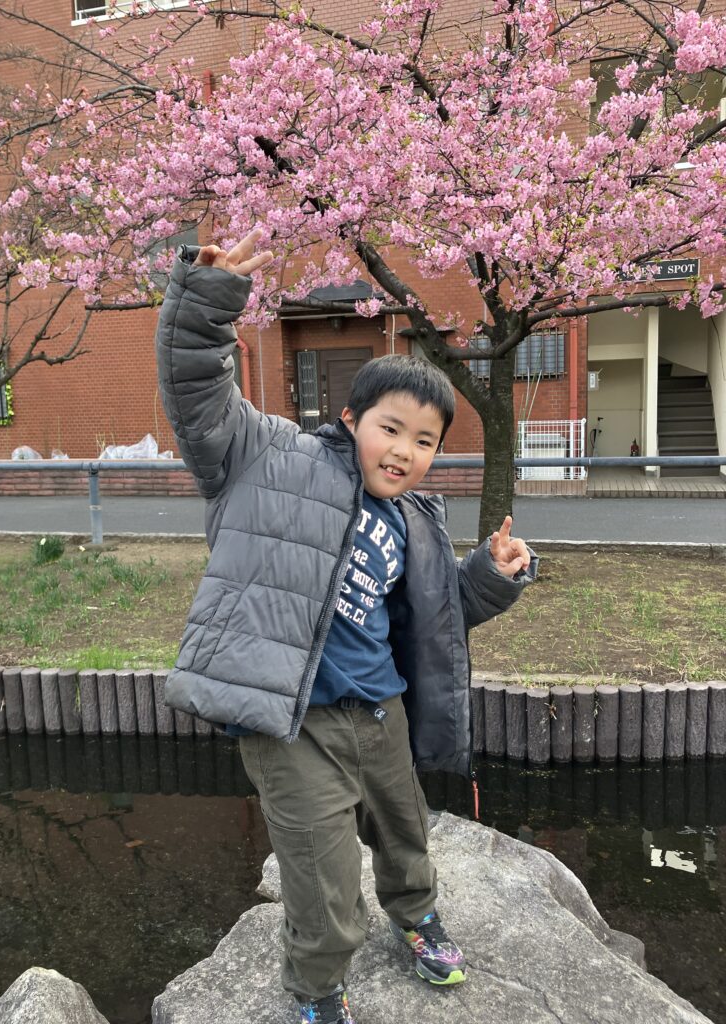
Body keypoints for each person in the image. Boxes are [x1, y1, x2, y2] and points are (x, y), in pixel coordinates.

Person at [156, 229, 537, 1024]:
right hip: (292, 726)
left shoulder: (414, 520)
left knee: (405, 831)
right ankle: (319, 988)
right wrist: (207, 303)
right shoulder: (271, 457)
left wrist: (491, 577)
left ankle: (417, 915)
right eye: (390, 428)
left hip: (380, 712)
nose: (404, 451)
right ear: (351, 416)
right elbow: (198, 397)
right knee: (321, 874)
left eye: (425, 441)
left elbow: (435, 617)